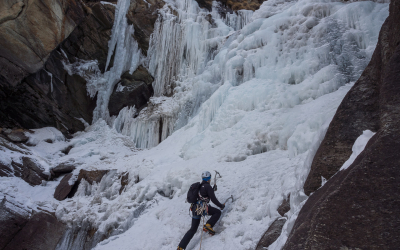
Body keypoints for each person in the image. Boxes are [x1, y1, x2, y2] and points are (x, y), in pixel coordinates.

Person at [177, 171, 225, 250]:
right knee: (217, 212)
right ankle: (208, 225)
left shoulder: (199, 186)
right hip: (202, 208)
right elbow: (213, 199)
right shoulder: (207, 187)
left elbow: (204, 194)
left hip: (195, 209)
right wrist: (221, 206)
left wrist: (212, 189)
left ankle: (180, 247)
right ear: (209, 178)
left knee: (193, 229)